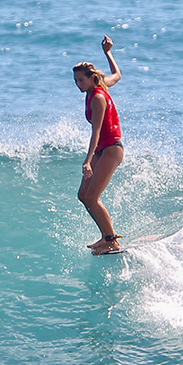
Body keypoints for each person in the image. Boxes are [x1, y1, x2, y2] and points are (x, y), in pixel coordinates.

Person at [74, 35, 124, 255]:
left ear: (91, 78)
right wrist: (108, 53)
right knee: (83, 195)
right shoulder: (99, 86)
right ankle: (105, 236)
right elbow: (118, 75)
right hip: (104, 150)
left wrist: (87, 161)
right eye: (75, 81)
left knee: (92, 198)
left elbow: (96, 132)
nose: (78, 85)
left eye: (81, 81)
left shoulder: (97, 98)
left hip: (111, 149)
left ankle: (111, 240)